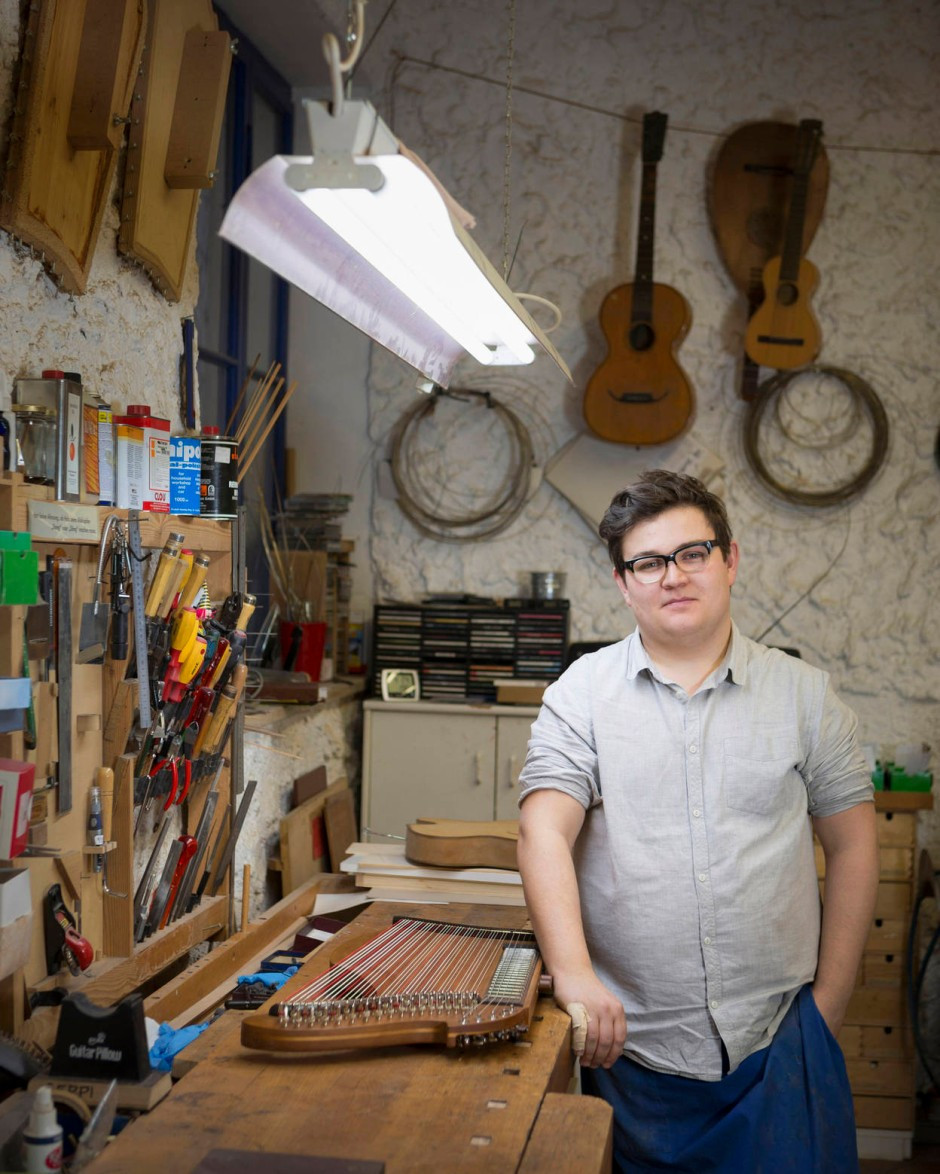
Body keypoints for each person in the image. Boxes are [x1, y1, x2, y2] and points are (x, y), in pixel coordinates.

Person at [516, 469, 878, 1172]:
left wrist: (828, 1007)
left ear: (730, 559)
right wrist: (575, 976)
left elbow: (856, 845)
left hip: (777, 1047)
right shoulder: (580, 696)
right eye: (648, 562)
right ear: (623, 582)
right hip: (632, 1055)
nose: (672, 576)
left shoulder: (805, 697)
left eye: (692, 553)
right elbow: (543, 831)